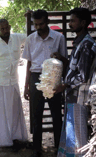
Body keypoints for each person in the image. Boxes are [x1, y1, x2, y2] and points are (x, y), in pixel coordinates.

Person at [51, 7, 96, 157]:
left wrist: (65, 85)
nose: (70, 24)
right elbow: (75, 67)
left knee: (78, 135)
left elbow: (83, 76)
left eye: (73, 21)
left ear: (83, 23)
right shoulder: (80, 42)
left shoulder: (86, 45)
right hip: (73, 95)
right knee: (72, 132)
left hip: (79, 97)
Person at [22, 9, 68, 157]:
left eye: (41, 24)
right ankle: (37, 149)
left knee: (56, 115)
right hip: (36, 78)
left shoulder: (59, 38)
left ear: (47, 22)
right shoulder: (30, 39)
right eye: (36, 25)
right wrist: (26, 85)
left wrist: (60, 57)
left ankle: (58, 147)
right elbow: (29, 63)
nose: (38, 27)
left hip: (54, 78)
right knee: (36, 115)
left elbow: (66, 61)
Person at [0, 19, 28, 150]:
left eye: (6, 28)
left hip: (13, 80)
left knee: (15, 110)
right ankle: (2, 142)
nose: (5, 31)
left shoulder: (17, 38)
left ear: (10, 27)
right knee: (1, 112)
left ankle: (17, 138)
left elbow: (30, 37)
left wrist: (30, 20)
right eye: (2, 29)